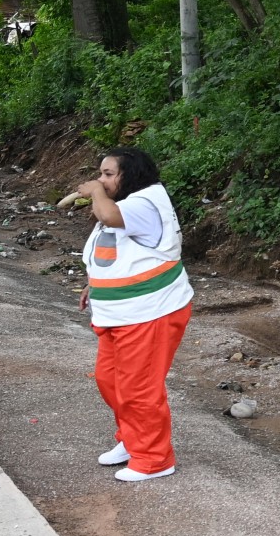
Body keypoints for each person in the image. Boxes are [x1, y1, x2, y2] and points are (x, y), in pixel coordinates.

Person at [77, 147, 194, 482]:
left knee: (138, 388)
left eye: (109, 174)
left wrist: (96, 193)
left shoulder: (142, 204)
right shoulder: (131, 203)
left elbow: (109, 219)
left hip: (150, 312)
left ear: (132, 175)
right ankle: (132, 440)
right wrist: (93, 285)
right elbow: (117, 250)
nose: (101, 180)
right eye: (100, 174)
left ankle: (155, 459)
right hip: (122, 312)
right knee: (109, 380)